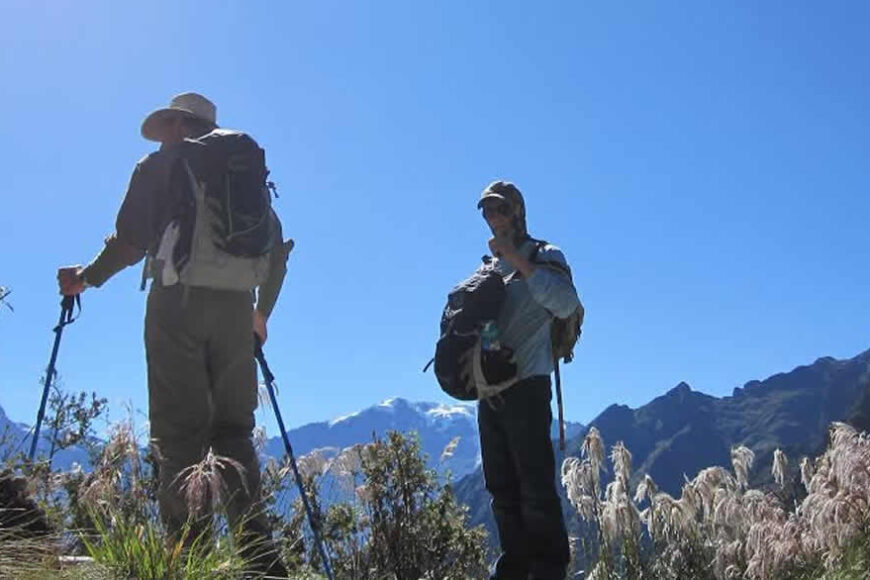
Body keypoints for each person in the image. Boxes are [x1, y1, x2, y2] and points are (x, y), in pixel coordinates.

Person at [57, 92, 290, 577]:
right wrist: (260, 315)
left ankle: (191, 562)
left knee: (180, 438)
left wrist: (87, 277)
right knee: (234, 434)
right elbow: (277, 251)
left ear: (178, 125)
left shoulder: (159, 167)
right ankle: (260, 563)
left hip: (176, 305)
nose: (163, 134)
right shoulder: (240, 170)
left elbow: (129, 243)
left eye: (167, 125)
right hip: (235, 312)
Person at [475, 181, 580, 580]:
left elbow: (566, 303)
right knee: (502, 491)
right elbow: (486, 323)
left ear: (517, 211)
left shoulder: (544, 254)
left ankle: (550, 569)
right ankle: (514, 569)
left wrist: (519, 262)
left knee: (535, 487)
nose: (493, 219)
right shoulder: (486, 268)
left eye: (499, 210)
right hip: (491, 391)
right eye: (487, 212)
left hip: (529, 385)